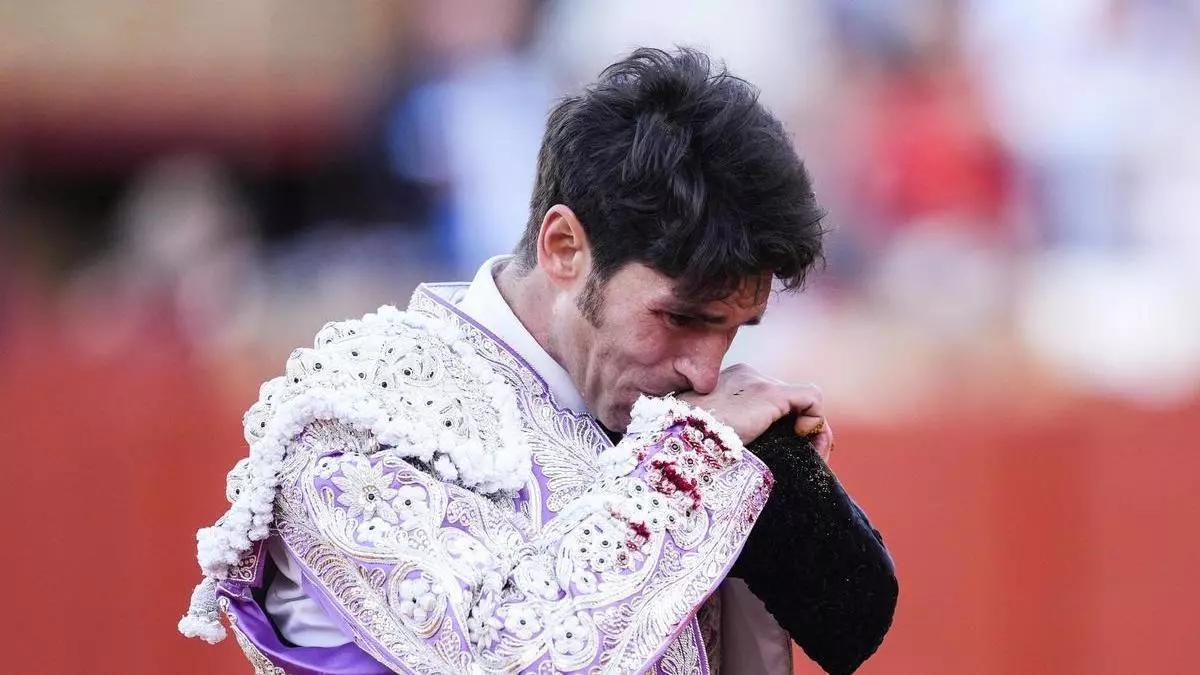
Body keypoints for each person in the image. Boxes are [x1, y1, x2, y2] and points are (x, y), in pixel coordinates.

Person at [180, 47, 896, 674]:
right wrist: (691, 465)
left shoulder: (667, 418)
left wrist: (773, 497)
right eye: (680, 318)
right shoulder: (356, 419)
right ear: (563, 247)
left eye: (735, 330)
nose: (705, 374)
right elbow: (505, 659)